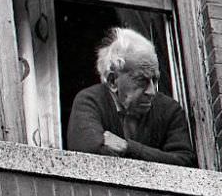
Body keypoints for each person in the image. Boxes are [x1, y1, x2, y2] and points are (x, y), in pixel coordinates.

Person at [66, 27, 196, 167]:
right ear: (113, 81)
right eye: (142, 80)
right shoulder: (90, 100)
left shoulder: (170, 110)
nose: (152, 92)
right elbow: (88, 154)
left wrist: (129, 148)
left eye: (155, 80)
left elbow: (185, 163)